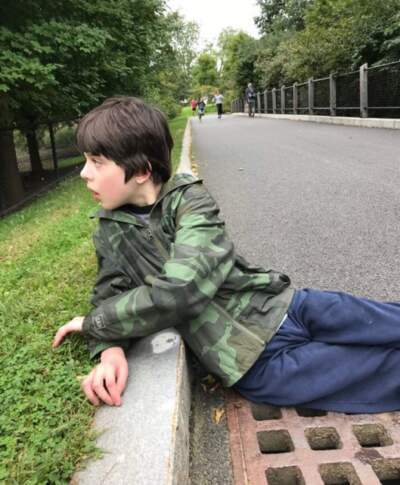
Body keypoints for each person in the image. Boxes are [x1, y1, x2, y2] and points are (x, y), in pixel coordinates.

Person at [54, 96, 400, 414]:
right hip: (255, 363)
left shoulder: (191, 201)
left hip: (288, 307)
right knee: (385, 371)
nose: (84, 173)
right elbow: (110, 292)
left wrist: (94, 324)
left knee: (386, 321)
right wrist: (109, 349)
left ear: (142, 171)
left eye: (97, 162)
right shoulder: (109, 229)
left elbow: (181, 289)